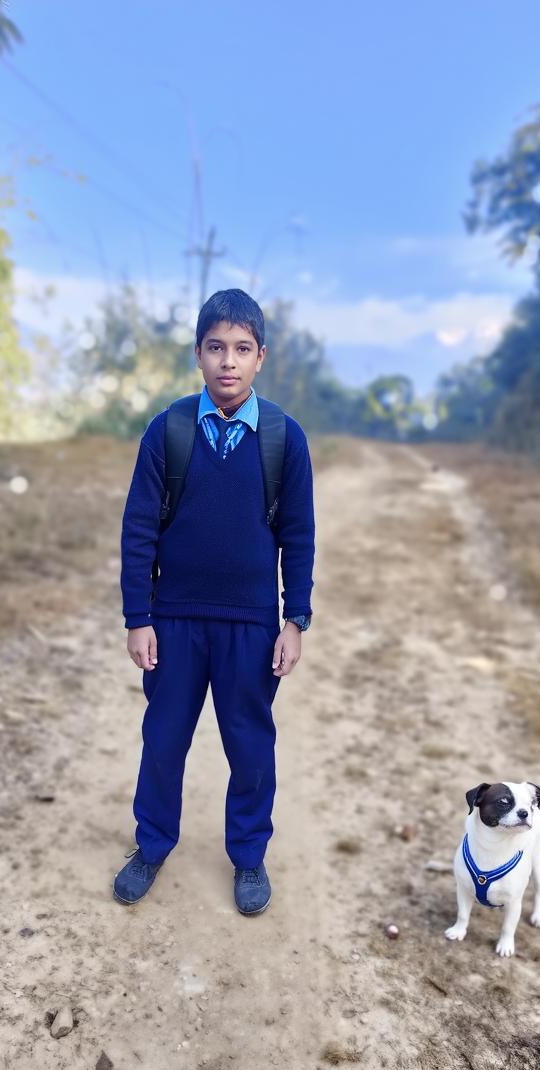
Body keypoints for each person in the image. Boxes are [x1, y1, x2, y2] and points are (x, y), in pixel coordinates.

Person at [114, 288, 315, 915]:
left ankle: (249, 856)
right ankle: (151, 844)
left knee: (251, 746)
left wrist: (295, 618)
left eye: (242, 349)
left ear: (261, 358)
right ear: (199, 354)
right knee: (164, 739)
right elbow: (139, 530)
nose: (229, 361)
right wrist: (138, 618)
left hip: (251, 626)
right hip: (174, 621)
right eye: (216, 348)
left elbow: (299, 535)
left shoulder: (283, 438)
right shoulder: (169, 430)